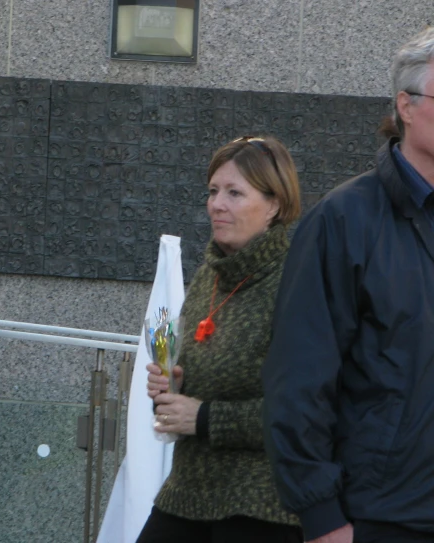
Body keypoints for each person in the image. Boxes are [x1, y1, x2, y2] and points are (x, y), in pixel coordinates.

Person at [262, 27, 434, 543]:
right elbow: (298, 380)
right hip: (381, 517)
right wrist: (322, 516)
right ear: (406, 106)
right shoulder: (342, 221)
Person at [138, 136, 302, 543]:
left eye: (234, 192)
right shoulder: (209, 275)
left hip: (262, 503)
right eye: (213, 191)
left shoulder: (298, 282)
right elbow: (191, 369)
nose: (217, 204)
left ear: (274, 205)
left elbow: (305, 414)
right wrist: (170, 386)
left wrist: (205, 418)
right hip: (187, 490)